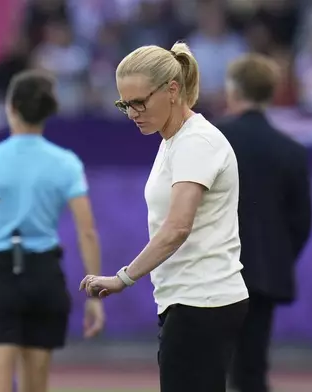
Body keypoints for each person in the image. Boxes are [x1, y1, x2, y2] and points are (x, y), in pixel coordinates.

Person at [80, 42, 249, 392]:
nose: (132, 113)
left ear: (173, 90)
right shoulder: (173, 140)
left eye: (139, 102)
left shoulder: (196, 142)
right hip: (190, 300)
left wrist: (122, 278)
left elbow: (176, 228)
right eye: (125, 104)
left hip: (202, 300)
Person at [0, 70, 105, 392]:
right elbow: (86, 230)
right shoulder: (66, 163)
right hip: (44, 274)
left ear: (12, 106)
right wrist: (95, 295)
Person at [216, 54, 312, 392]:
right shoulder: (292, 151)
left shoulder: (212, 138)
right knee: (252, 369)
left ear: (233, 89)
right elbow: (302, 221)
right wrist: (275, 257)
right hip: (263, 275)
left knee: (204, 366)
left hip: (212, 271)